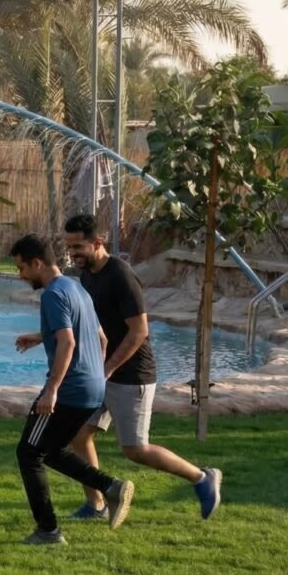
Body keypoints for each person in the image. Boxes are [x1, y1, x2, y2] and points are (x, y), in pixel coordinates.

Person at [63, 213, 222, 521]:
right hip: (102, 373)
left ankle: (202, 478)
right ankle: (96, 505)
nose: (72, 253)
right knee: (79, 436)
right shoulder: (87, 276)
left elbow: (139, 331)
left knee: (136, 450)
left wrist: (108, 368)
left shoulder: (121, 276)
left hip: (132, 376)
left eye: (78, 246)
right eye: (69, 246)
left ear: (98, 242)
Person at [11, 234, 135, 545]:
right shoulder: (77, 288)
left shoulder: (53, 294)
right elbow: (101, 338)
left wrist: (52, 390)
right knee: (51, 451)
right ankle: (111, 488)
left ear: (37, 263)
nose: (21, 275)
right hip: (92, 389)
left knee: (29, 453)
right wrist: (44, 338)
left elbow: (68, 342)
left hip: (68, 390)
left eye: (22, 268)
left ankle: (49, 530)